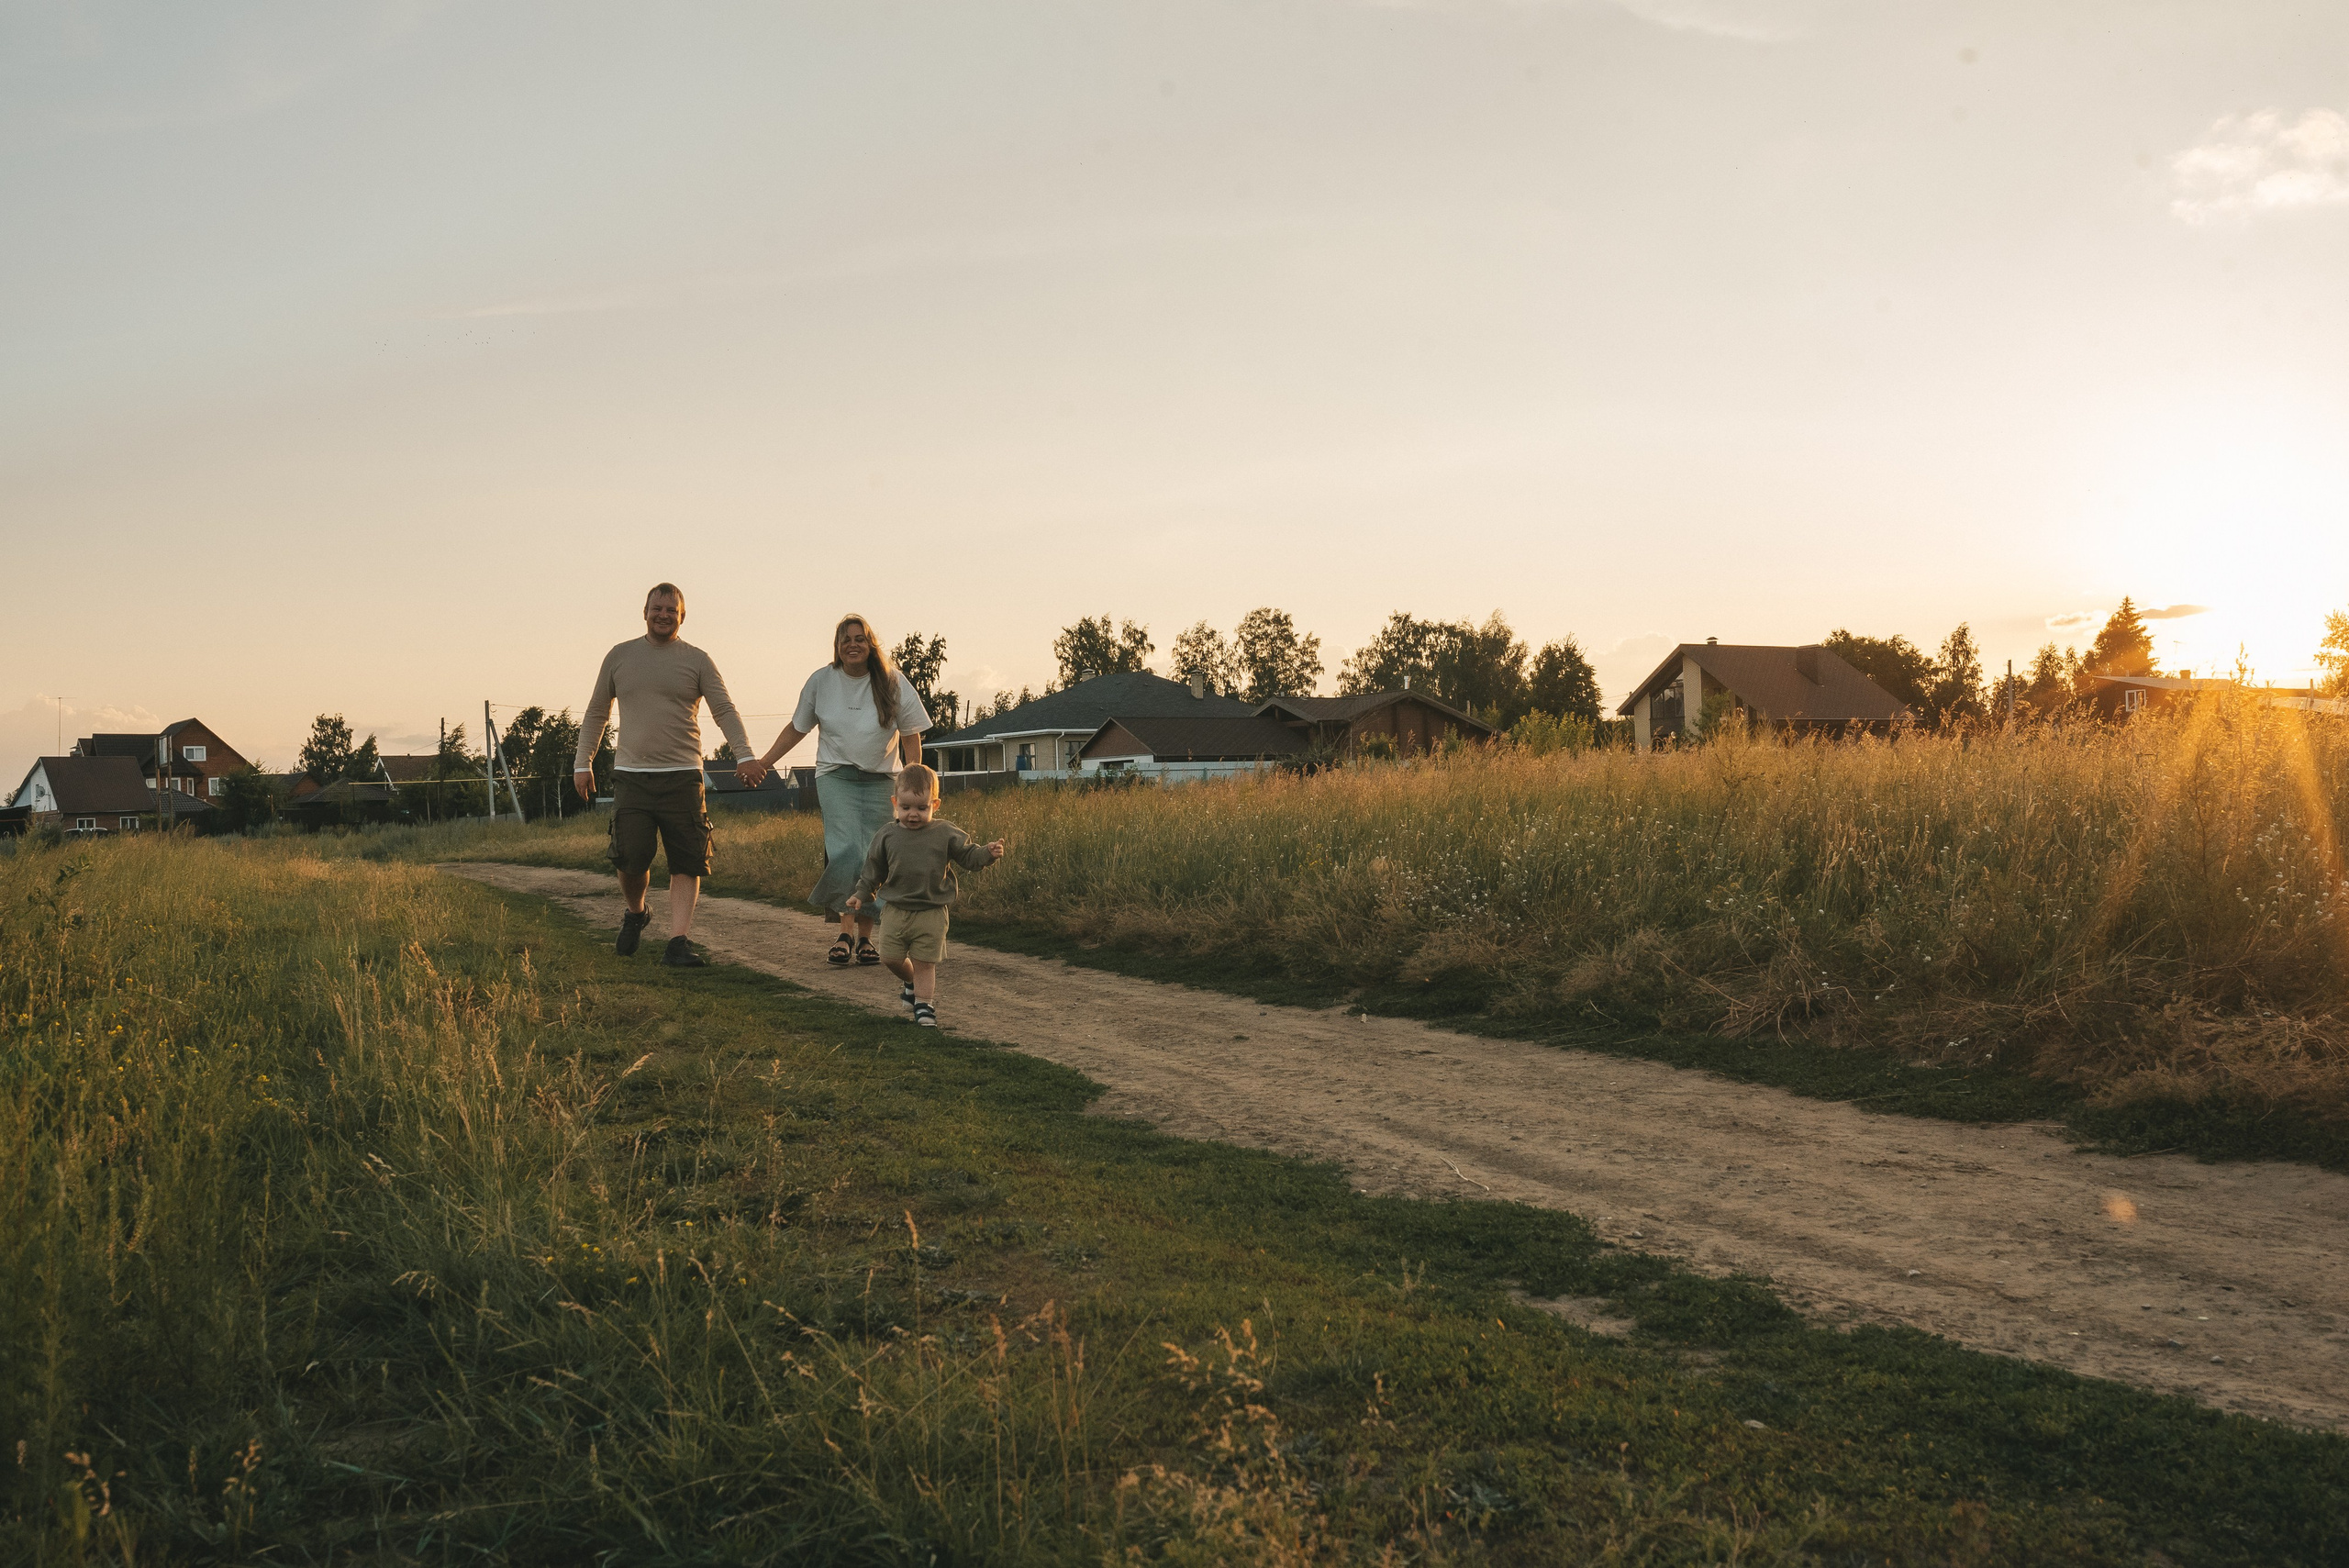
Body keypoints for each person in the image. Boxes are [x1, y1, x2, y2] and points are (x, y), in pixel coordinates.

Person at [573, 582, 752, 967]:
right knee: (630, 857)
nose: (663, 615)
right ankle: (637, 912)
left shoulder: (698, 660)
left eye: (671, 610)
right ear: (645, 611)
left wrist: (745, 755)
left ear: (681, 616)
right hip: (632, 775)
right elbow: (596, 713)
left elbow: (724, 709)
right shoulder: (620, 656)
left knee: (687, 860)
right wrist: (582, 762)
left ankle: (678, 942)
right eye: (657, 608)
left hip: (684, 775)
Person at [739, 615, 931, 965]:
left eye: (860, 638)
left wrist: (914, 779)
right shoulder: (821, 681)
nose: (852, 645)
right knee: (844, 852)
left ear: (870, 644)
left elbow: (910, 734)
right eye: (846, 639)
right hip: (836, 777)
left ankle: (866, 939)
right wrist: (764, 763)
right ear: (837, 646)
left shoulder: (892, 682)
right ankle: (844, 932)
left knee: (875, 857)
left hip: (881, 780)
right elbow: (796, 729)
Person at [845, 764, 1005, 1027]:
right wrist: (862, 893)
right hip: (895, 909)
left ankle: (924, 1005)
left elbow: (968, 854)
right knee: (890, 958)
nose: (913, 814)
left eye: (922, 808)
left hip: (932, 910)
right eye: (906, 807)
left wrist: (987, 853)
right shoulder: (887, 835)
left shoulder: (945, 832)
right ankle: (909, 982)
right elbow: (873, 869)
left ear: (935, 804)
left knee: (925, 962)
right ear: (895, 803)